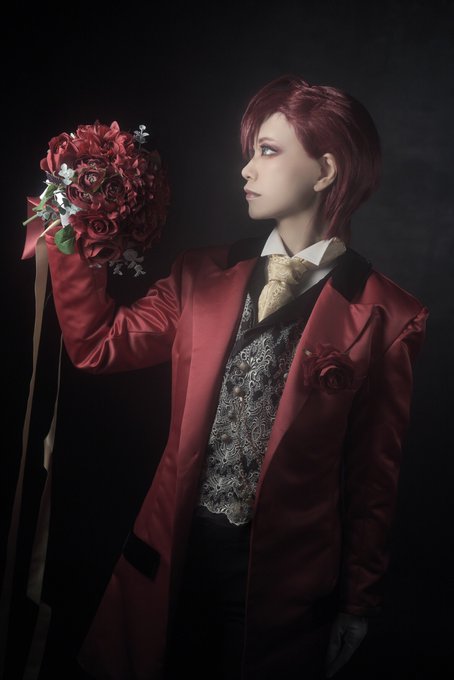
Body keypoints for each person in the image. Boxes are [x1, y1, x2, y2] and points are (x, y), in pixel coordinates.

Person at [43, 74, 428, 680]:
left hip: (282, 589)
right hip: (173, 560)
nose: (246, 169)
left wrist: (359, 601)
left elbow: (373, 479)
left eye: (267, 151)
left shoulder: (389, 317)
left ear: (326, 170)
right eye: (251, 151)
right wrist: (73, 226)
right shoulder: (200, 273)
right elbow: (97, 345)